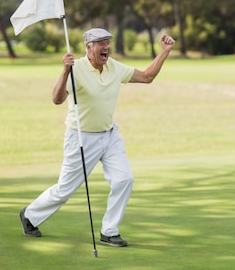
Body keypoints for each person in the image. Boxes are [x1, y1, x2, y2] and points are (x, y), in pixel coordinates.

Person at [19, 28, 175, 247]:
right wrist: (65, 71)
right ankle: (30, 215)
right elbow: (57, 99)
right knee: (65, 190)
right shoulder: (76, 68)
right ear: (88, 47)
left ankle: (109, 231)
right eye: (101, 43)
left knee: (124, 179)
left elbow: (147, 77)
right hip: (81, 138)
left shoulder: (114, 67)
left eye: (108, 42)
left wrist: (165, 51)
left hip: (110, 135)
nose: (106, 47)